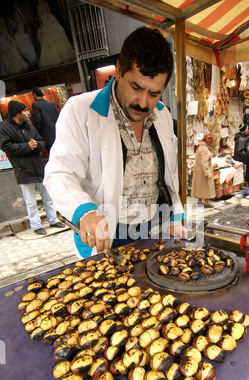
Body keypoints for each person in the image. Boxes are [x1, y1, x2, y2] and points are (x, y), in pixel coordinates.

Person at [44, 27, 187, 259]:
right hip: (107, 233)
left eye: (154, 94)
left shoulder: (162, 116)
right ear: (119, 70)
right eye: (136, 88)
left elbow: (170, 175)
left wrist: (176, 215)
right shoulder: (80, 111)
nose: (143, 102)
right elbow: (60, 172)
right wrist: (85, 210)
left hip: (153, 229)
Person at [0, 100, 64, 235]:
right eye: (25, 111)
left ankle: (53, 220)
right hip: (23, 169)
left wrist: (37, 145)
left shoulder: (30, 127)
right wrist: (27, 146)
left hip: (38, 167)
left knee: (48, 198)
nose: (28, 113)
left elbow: (41, 141)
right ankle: (36, 226)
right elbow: (6, 147)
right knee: (30, 202)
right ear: (17, 114)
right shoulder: (4, 128)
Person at [191, 132, 216, 208]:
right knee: (206, 187)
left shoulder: (200, 147)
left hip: (199, 172)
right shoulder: (204, 149)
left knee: (200, 187)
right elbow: (204, 162)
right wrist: (207, 172)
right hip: (203, 172)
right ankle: (206, 202)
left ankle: (199, 201)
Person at [32, 87, 59, 153]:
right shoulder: (52, 105)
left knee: (53, 155)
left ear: (34, 94)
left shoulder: (35, 104)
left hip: (47, 136)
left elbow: (38, 120)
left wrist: (36, 132)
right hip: (57, 134)